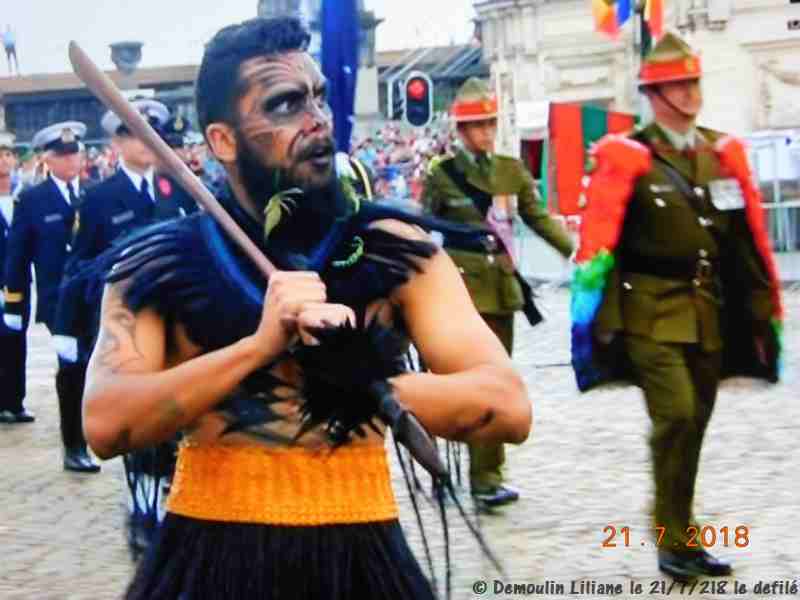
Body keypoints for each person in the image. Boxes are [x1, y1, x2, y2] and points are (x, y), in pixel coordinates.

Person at [80, 17, 530, 599]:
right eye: (285, 104)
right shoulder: (158, 266)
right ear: (223, 140)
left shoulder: (395, 250)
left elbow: (508, 406)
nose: (319, 120)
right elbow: (107, 422)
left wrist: (358, 380)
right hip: (209, 559)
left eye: (318, 96)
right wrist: (256, 349)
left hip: (362, 555)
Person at [571, 32, 783, 581]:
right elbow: (600, 247)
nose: (688, 94)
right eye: (675, 86)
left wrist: (761, 309)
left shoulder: (719, 154)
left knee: (697, 424)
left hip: (706, 311)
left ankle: (683, 536)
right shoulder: (630, 157)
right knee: (677, 415)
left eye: (692, 82)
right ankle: (670, 536)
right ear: (653, 93)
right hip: (649, 314)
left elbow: (745, 240)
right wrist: (602, 325)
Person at [421, 77, 573, 508]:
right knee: (455, 383)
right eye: (478, 125)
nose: (486, 132)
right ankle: (439, 469)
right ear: (462, 132)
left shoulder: (510, 169)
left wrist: (574, 250)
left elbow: (538, 217)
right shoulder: (442, 173)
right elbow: (425, 224)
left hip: (502, 289)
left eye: (490, 123)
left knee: (495, 380)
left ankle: (487, 477)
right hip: (459, 290)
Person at [55, 99, 195, 555]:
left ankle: (179, 508)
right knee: (144, 429)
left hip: (182, 329)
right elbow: (78, 267)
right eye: (138, 133)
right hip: (131, 332)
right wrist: (68, 328)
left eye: (155, 132)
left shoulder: (180, 189)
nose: (150, 142)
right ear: (118, 142)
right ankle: (145, 515)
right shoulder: (99, 199)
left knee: (179, 423)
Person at [3, 122, 95, 468]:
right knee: (71, 371)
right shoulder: (33, 199)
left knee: (98, 370)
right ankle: (74, 445)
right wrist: (13, 301)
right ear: (48, 159)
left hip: (96, 299)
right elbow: (18, 254)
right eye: (63, 155)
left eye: (76, 154)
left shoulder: (94, 193)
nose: (72, 161)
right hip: (59, 302)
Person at [0, 129, 30, 423]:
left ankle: (15, 401)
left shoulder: (23, 197)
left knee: (17, 340)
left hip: (18, 282)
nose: (4, 160)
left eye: (8, 155)